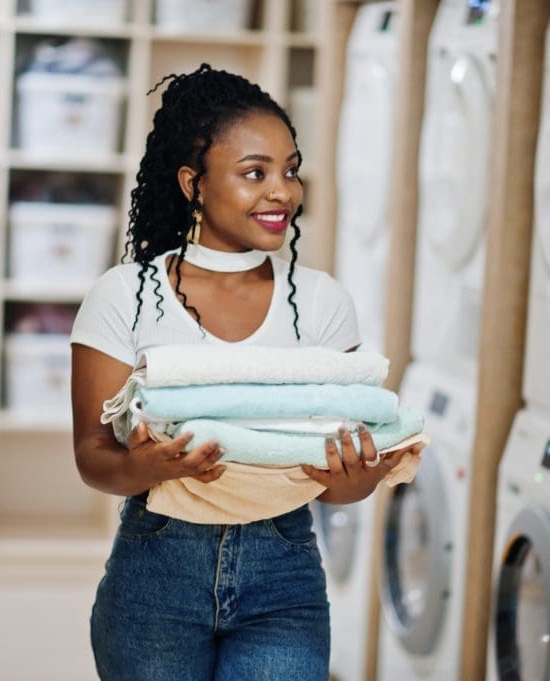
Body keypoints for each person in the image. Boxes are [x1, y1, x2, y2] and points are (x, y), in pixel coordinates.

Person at [70, 64, 422, 680]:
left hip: (283, 571)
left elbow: (338, 482)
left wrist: (357, 477)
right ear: (194, 184)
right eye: (254, 173)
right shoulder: (123, 295)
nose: (282, 191)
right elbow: (92, 454)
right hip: (157, 569)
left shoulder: (320, 302)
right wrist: (145, 467)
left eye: (290, 170)